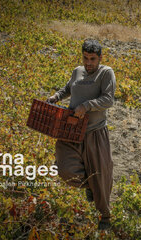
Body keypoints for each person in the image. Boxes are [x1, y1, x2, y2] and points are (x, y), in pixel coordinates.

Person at [47, 39, 116, 230]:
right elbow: (69, 88)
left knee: (101, 175)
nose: (88, 63)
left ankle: (105, 217)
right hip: (70, 130)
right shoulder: (77, 71)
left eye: (93, 59)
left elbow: (108, 99)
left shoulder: (105, 73)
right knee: (64, 169)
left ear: (100, 58)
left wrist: (87, 106)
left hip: (94, 132)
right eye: (85, 58)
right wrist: (56, 97)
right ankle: (90, 187)